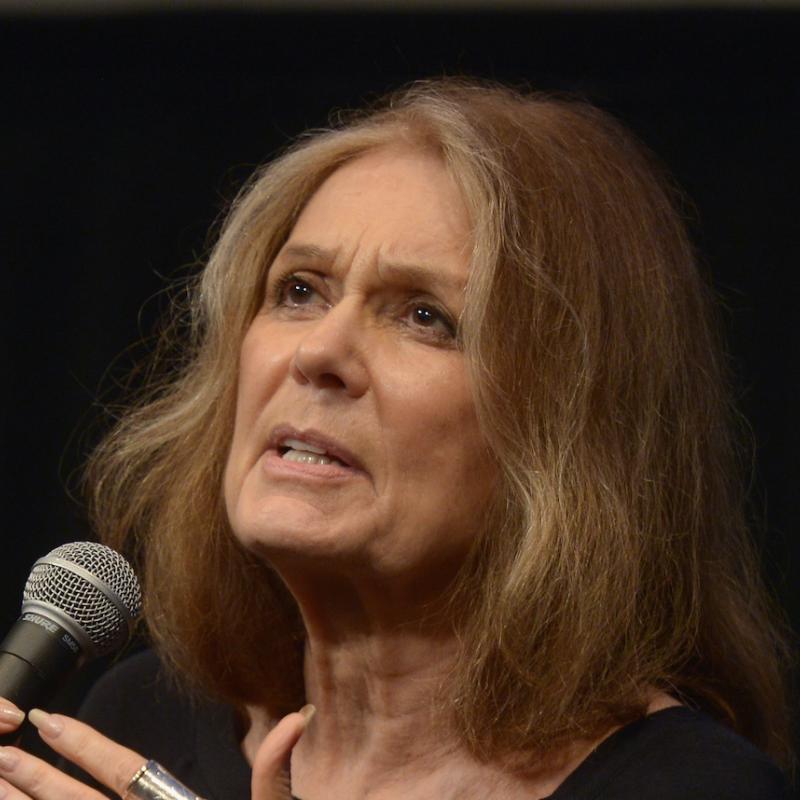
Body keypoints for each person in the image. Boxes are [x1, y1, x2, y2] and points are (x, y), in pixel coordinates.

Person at [0, 78, 793, 799]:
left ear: (570, 427)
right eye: (300, 291)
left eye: (424, 316)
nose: (318, 352)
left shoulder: (692, 788)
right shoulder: (145, 717)